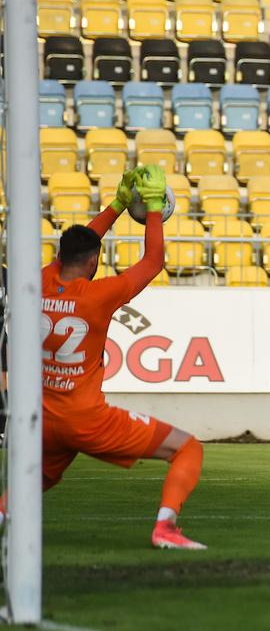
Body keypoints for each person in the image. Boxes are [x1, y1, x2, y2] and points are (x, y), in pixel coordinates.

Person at [36, 166, 206, 549]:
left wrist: (117, 204)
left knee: (33, 484)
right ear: (95, 261)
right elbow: (153, 262)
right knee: (187, 447)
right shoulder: (99, 296)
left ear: (60, 255)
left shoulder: (40, 280)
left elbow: (82, 244)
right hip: (88, 419)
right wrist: (153, 211)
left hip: (45, 417)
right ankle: (165, 528)